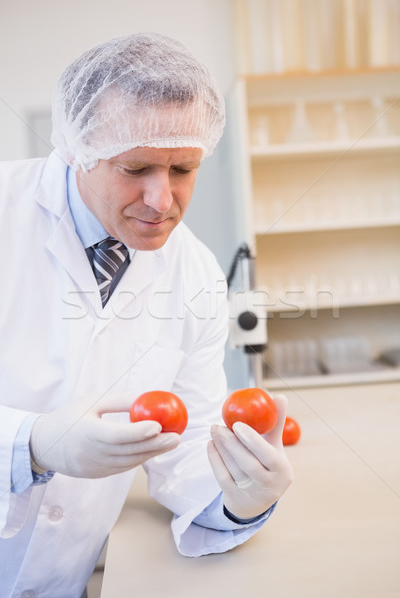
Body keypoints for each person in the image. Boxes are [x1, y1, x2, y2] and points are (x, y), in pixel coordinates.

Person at [0, 32, 293, 597]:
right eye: (136, 168)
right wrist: (29, 444)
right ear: (77, 149)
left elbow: (184, 450)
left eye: (182, 170)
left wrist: (238, 498)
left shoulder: (196, 274)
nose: (163, 200)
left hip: (61, 582)